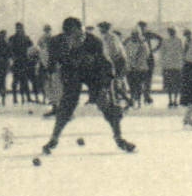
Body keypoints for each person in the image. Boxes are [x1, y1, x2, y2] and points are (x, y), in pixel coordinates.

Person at [40, 17, 135, 155]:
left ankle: (119, 137)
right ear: (66, 36)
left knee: (106, 104)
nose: (78, 40)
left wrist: (105, 88)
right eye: (74, 38)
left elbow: (107, 66)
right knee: (67, 105)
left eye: (81, 36)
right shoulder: (56, 43)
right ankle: (54, 138)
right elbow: (51, 65)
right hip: (71, 73)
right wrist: (49, 70)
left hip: (94, 74)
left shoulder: (94, 42)